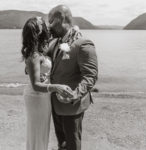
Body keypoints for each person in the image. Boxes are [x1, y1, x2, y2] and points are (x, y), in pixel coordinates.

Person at [47, 5, 98, 150]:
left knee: (72, 144)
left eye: (51, 21)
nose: (48, 25)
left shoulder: (83, 44)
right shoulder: (55, 43)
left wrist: (74, 95)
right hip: (55, 103)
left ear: (61, 19)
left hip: (72, 106)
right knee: (61, 143)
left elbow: (90, 76)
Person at [22, 16, 73, 150]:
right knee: (37, 132)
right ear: (38, 32)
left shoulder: (40, 49)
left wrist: (74, 30)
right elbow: (36, 85)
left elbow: (58, 36)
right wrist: (56, 87)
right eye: (42, 23)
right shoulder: (34, 55)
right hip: (36, 96)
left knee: (42, 131)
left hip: (43, 97)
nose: (46, 24)